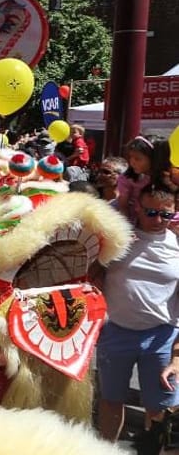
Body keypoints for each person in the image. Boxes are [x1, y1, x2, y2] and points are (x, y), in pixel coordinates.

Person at [94, 186, 179, 449]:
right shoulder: (119, 240)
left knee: (161, 410)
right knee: (110, 402)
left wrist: (178, 356)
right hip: (116, 332)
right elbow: (92, 273)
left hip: (162, 337)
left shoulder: (177, 245)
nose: (157, 220)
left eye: (165, 215)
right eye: (151, 212)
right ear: (139, 209)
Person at [117, 136, 155, 224]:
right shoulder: (127, 179)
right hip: (131, 218)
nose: (132, 162)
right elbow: (123, 206)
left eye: (137, 159)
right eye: (130, 157)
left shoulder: (165, 178)